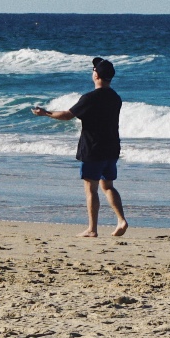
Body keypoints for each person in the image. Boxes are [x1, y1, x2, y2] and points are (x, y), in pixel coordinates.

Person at [33, 57, 129, 238]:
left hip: (93, 148)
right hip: (112, 147)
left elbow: (68, 115)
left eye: (94, 70)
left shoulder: (90, 98)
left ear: (97, 75)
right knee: (108, 185)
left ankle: (92, 229)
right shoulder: (115, 97)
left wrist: (45, 113)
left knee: (91, 188)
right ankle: (121, 220)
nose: (92, 72)